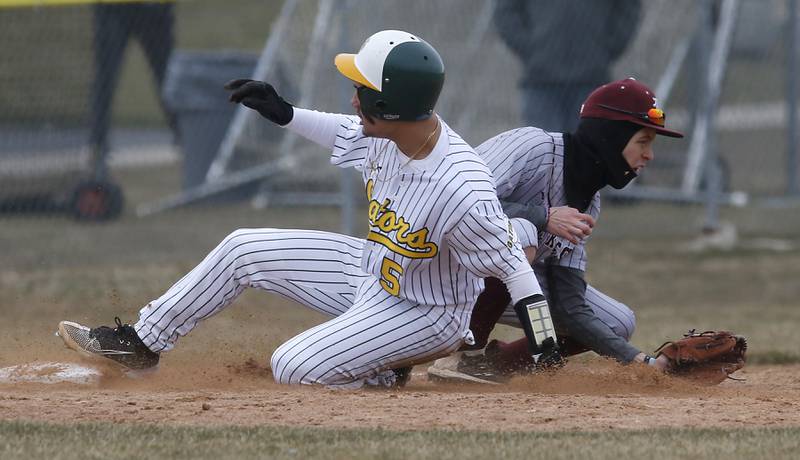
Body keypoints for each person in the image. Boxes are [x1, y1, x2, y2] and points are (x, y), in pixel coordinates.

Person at [57, 30, 561, 389]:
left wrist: (545, 348)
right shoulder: (391, 132)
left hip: (428, 312)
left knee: (292, 366)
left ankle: (380, 370)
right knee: (242, 249)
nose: (353, 97)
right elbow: (344, 130)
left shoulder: (460, 186)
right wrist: (285, 113)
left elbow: (515, 269)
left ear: (389, 106)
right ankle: (140, 346)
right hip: (375, 272)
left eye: (362, 90)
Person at [428, 78, 684, 384]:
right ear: (611, 137)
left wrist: (642, 362)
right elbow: (454, 199)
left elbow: (569, 305)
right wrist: (543, 216)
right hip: (432, 265)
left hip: (495, 284)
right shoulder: (534, 147)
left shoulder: (589, 203)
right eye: (643, 141)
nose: (649, 155)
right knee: (518, 235)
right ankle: (460, 355)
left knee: (616, 322)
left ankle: (496, 366)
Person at [493, 0, 642, 132]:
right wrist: (532, 50)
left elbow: (628, 9)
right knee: (544, 155)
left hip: (591, 81)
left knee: (586, 157)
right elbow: (506, 12)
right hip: (542, 83)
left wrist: (605, 49)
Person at [89, 1, 176, 179]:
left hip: (154, 10)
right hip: (113, 9)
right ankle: (98, 148)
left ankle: (187, 142)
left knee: (168, 78)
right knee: (105, 81)